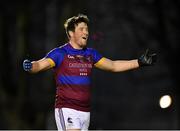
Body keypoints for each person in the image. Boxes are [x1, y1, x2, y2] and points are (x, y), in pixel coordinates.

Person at [23, 14, 156, 131]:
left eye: (86, 29)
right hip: (67, 109)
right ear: (71, 33)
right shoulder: (60, 53)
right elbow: (40, 64)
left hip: (85, 112)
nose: (86, 32)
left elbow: (113, 66)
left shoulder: (90, 54)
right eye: (81, 29)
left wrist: (139, 62)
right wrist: (30, 66)